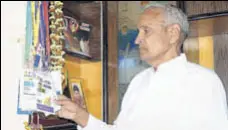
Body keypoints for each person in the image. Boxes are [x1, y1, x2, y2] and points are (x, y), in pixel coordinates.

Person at [55, 4, 228, 130]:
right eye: (138, 31)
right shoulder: (139, 81)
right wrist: (80, 116)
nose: (137, 40)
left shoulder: (203, 82)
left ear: (173, 33)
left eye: (146, 30)